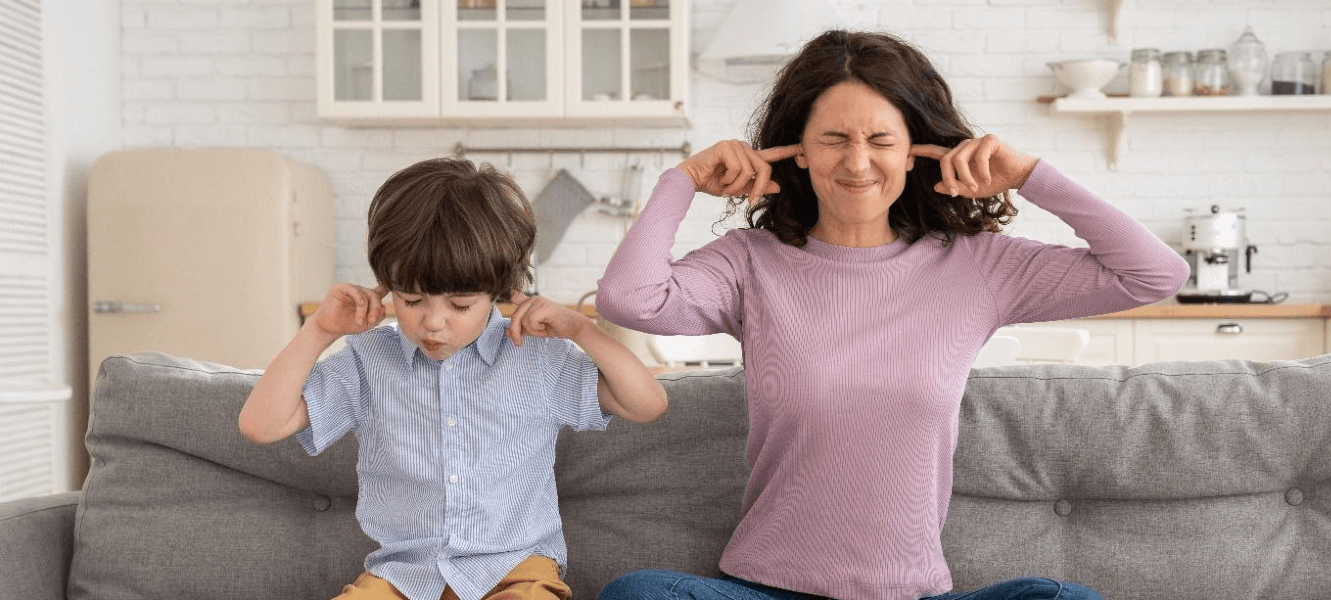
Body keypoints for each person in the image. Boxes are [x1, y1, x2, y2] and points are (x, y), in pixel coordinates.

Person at [594, 30, 1189, 600]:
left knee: (1066, 598)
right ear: (798, 152)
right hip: (767, 589)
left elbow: (1154, 275)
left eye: (880, 141)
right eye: (833, 139)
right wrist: (684, 180)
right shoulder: (750, 264)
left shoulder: (976, 266)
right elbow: (630, 299)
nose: (857, 163)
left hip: (913, 593)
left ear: (915, 153)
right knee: (638, 593)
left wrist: (1032, 177)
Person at [238, 157, 668, 600]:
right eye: (411, 300)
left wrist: (582, 329)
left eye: (460, 305)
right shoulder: (368, 363)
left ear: (497, 291)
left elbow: (647, 403)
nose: (434, 323)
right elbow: (260, 424)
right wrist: (319, 331)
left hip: (516, 571)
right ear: (387, 286)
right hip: (404, 576)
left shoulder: (537, 359)